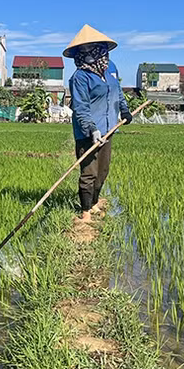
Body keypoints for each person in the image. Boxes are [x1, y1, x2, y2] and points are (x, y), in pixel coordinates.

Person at [64, 25, 132, 222]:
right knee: (89, 172)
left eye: (90, 48)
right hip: (88, 132)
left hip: (109, 128)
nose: (86, 53)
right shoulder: (79, 77)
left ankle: (94, 204)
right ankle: (85, 212)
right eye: (82, 50)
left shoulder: (111, 68)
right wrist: (91, 129)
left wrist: (125, 109)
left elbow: (117, 91)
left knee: (102, 171)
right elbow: (81, 107)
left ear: (100, 47)